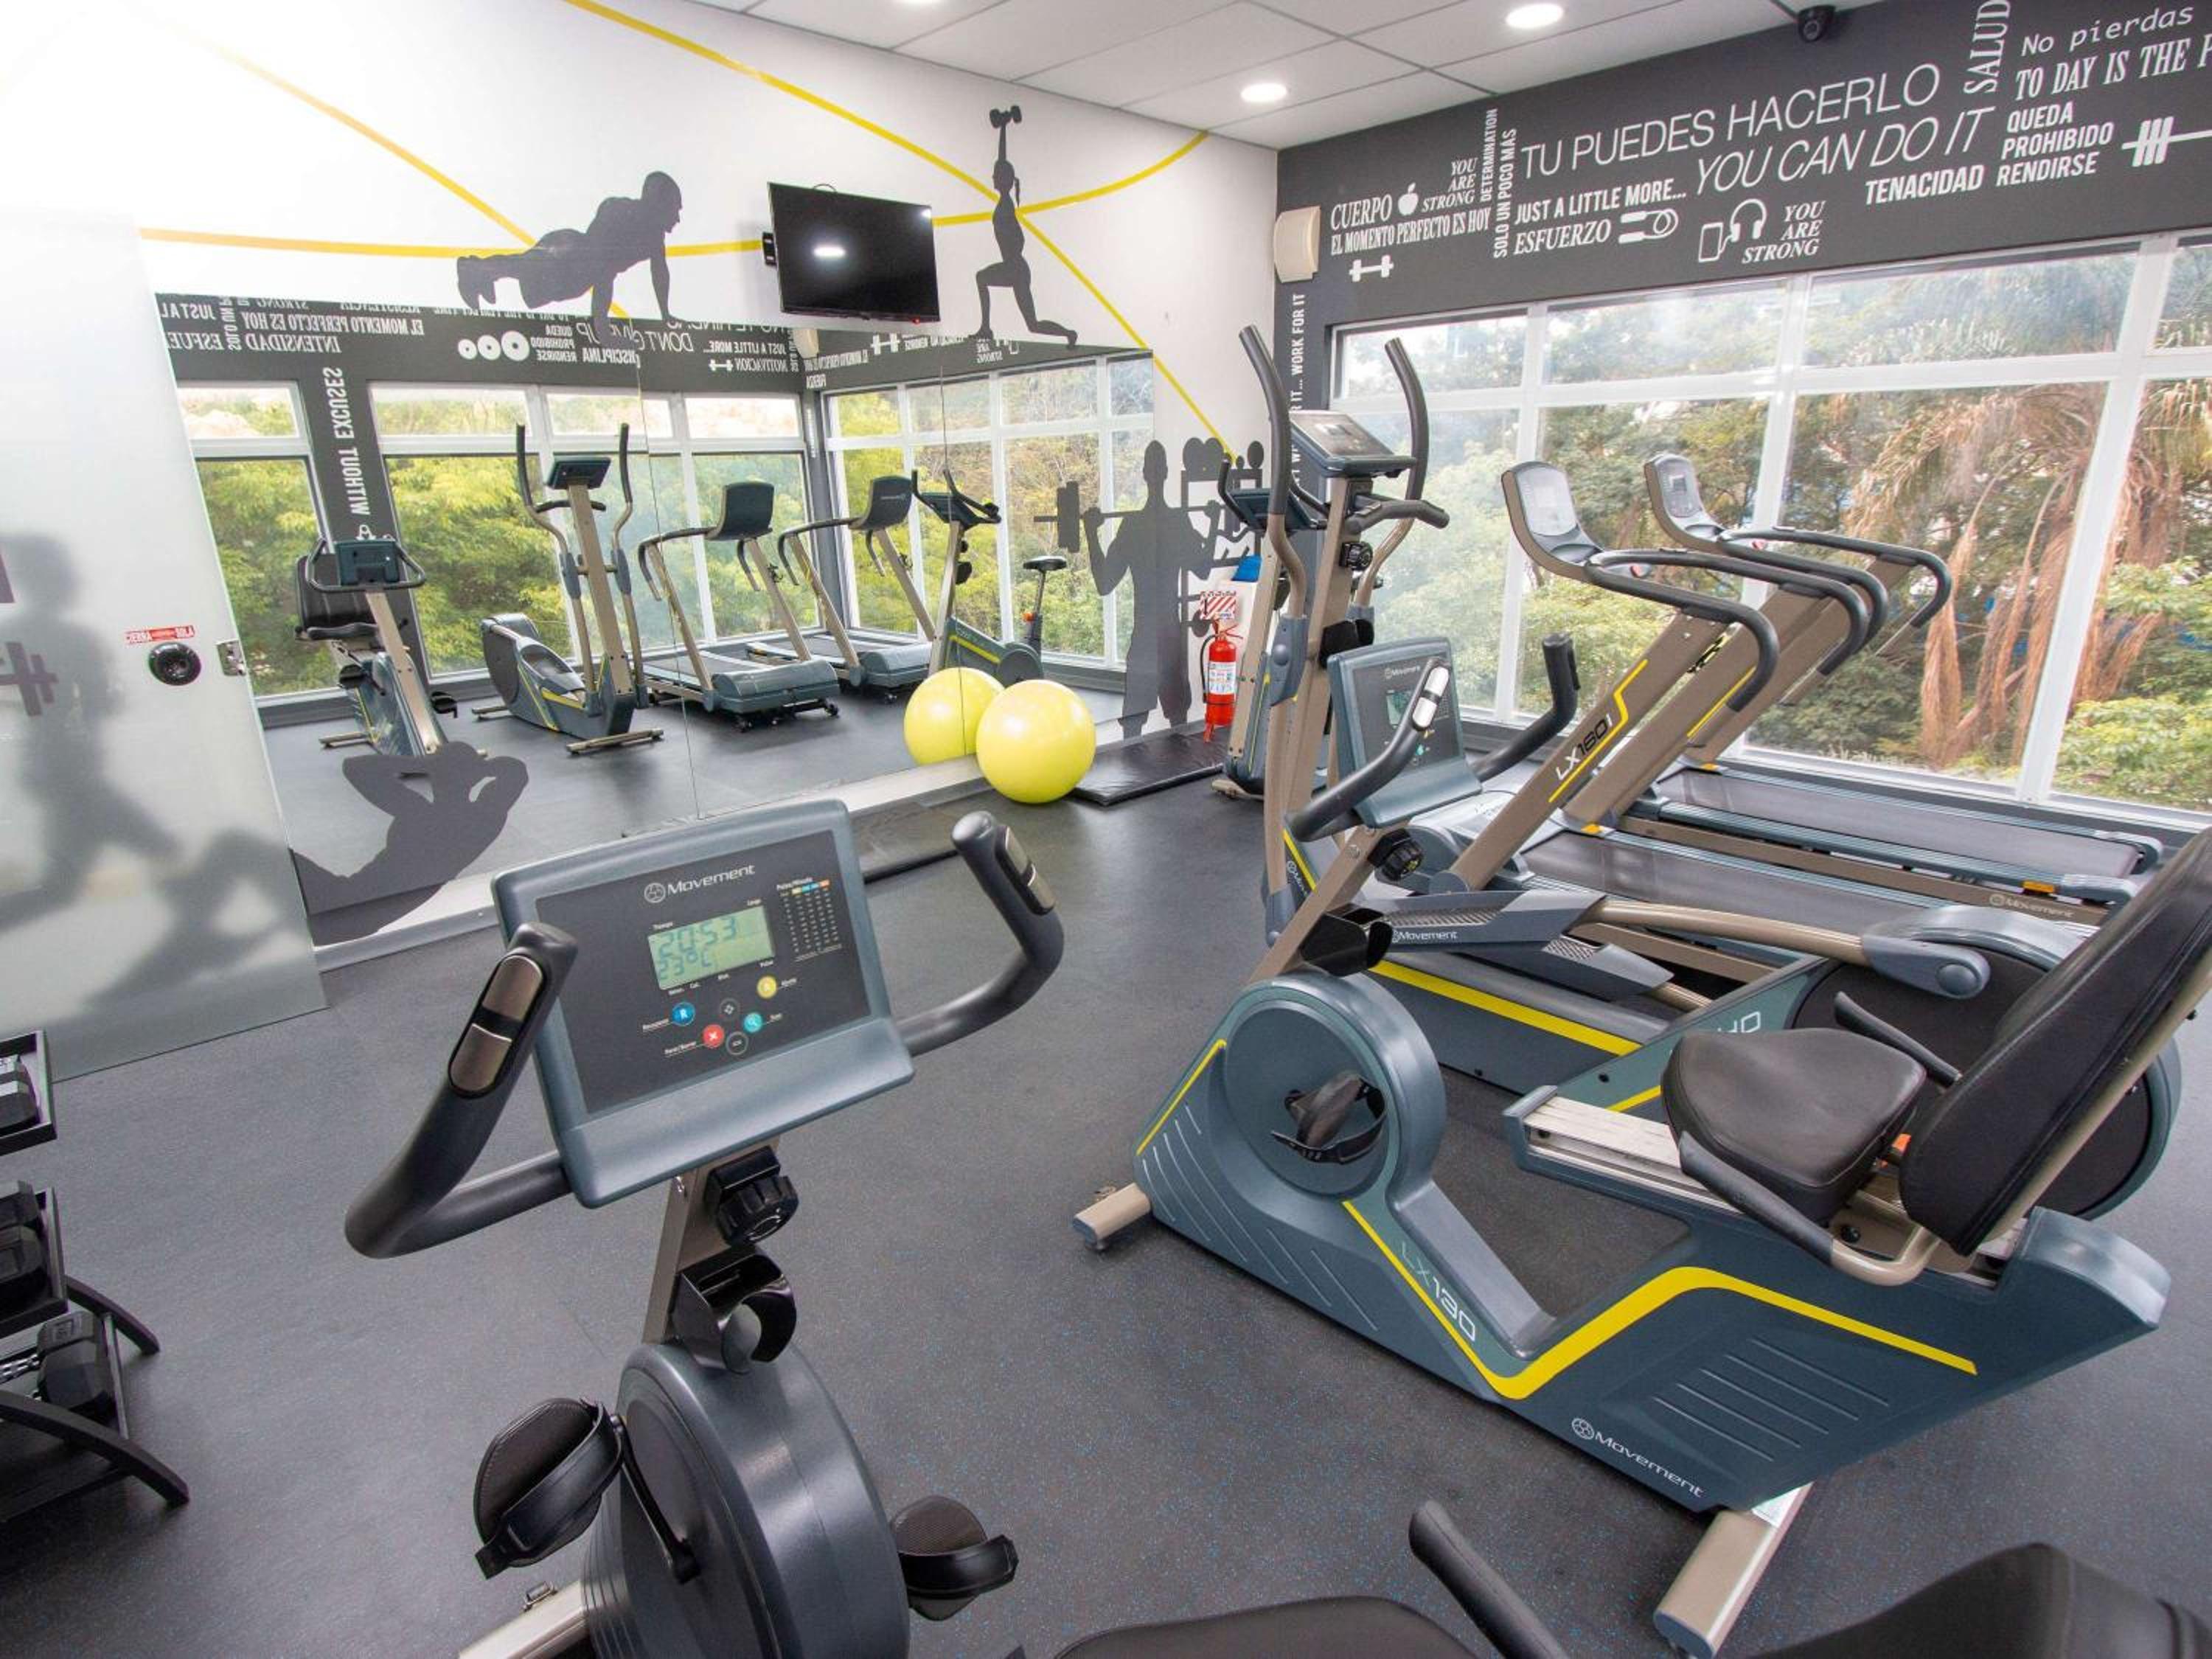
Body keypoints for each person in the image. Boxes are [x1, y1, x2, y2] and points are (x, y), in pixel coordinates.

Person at [457, 173, 686, 344]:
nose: (677, 218)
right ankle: (475, 270)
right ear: (659, 204)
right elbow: (603, 268)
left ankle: (481, 272)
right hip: (568, 253)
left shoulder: (653, 235)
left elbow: (660, 272)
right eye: (675, 209)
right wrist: (603, 331)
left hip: (576, 266)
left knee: (526, 268)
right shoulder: (623, 213)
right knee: (528, 267)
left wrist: (665, 314)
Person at [1084, 441, 1212, 741]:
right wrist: (1091, 533)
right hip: (1162, 633)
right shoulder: (1169, 522)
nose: (1154, 472)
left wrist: (1091, 532)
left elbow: (1104, 583)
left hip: (1157, 634)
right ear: (1164, 473)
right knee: (1151, 719)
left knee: (1163, 718)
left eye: (1154, 467)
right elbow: (1204, 568)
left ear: (1148, 474)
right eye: (1155, 467)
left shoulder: (1138, 525)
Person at [974, 108, 1078, 347]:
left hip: (1015, 267)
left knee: (982, 278)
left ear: (1003, 180)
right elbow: (1002, 159)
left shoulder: (1006, 205)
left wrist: (1004, 126)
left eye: (995, 175)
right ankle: (1069, 334)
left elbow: (1019, 240)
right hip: (1017, 268)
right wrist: (1003, 127)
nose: (992, 177)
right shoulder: (1005, 201)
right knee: (1033, 324)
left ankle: (986, 328)